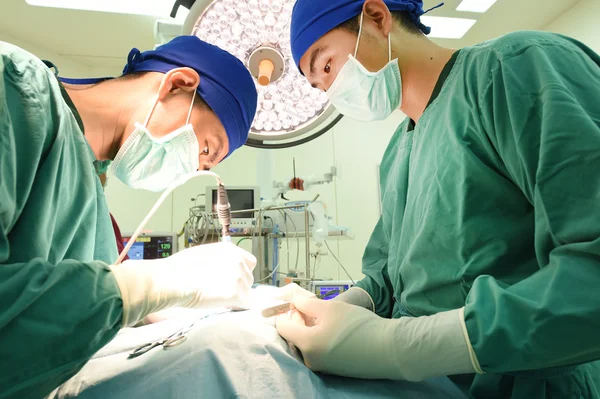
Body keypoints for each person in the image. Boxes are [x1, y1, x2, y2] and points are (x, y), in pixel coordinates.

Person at [275, 0, 600, 397]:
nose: (331, 91)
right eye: (320, 87)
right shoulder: (400, 149)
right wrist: (348, 307)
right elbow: (391, 276)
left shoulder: (515, 69)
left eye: (326, 67)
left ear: (377, 18)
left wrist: (397, 347)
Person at [0, 36, 258, 398]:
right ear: (177, 84)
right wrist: (146, 287)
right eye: (204, 149)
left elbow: (62, 320)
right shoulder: (11, 84)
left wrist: (148, 311)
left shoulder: (90, 206)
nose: (189, 173)